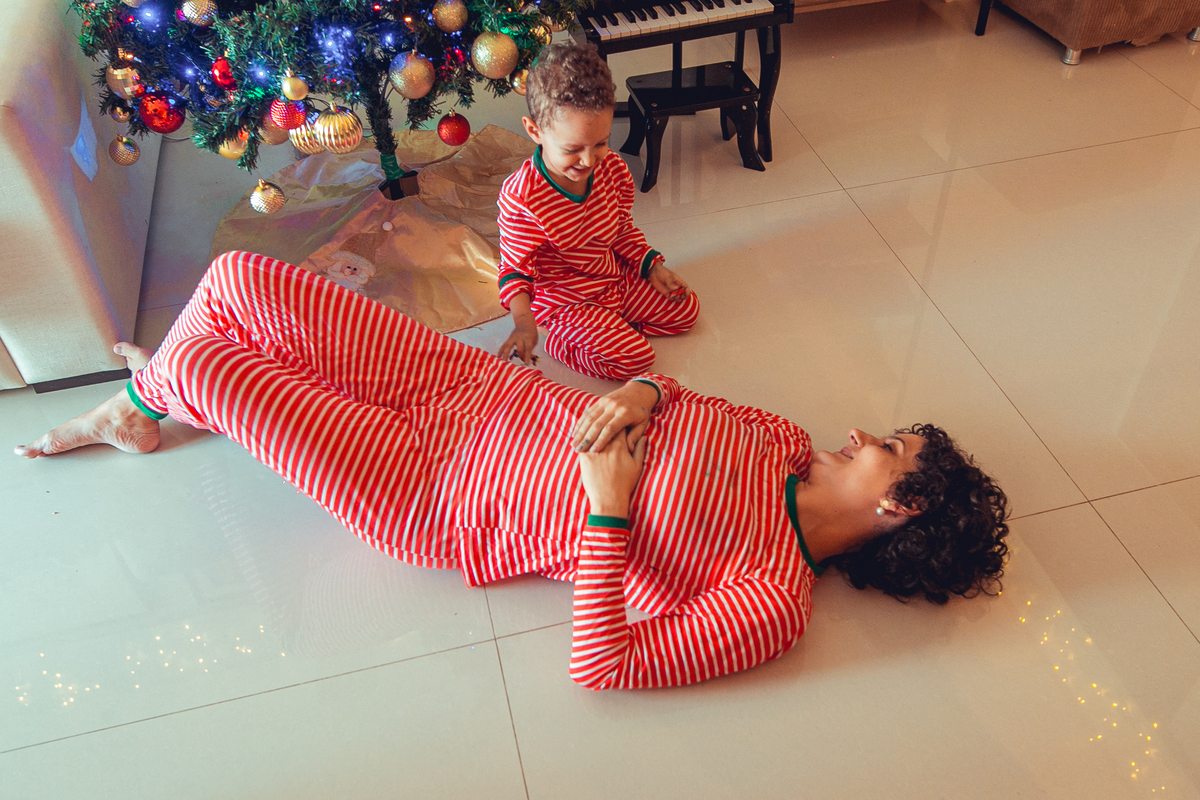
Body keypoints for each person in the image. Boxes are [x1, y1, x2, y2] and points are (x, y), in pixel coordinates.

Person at [15, 252, 1009, 690]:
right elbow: (677, 391)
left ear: (899, 502)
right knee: (237, 280)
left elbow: (606, 665)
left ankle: (146, 405)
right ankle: (147, 408)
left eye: (886, 446)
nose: (859, 432)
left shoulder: (771, 598)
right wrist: (641, 393)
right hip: (473, 385)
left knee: (204, 359)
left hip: (435, 493)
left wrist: (607, 512)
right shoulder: (784, 438)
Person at [495, 43, 699, 380]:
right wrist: (524, 322)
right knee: (637, 360)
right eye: (572, 149)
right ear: (535, 131)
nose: (589, 160)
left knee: (686, 310)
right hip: (567, 303)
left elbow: (621, 228)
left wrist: (651, 267)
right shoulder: (522, 197)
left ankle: (613, 325)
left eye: (601, 143)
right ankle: (562, 339)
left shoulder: (612, 167)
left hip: (611, 279)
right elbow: (515, 269)